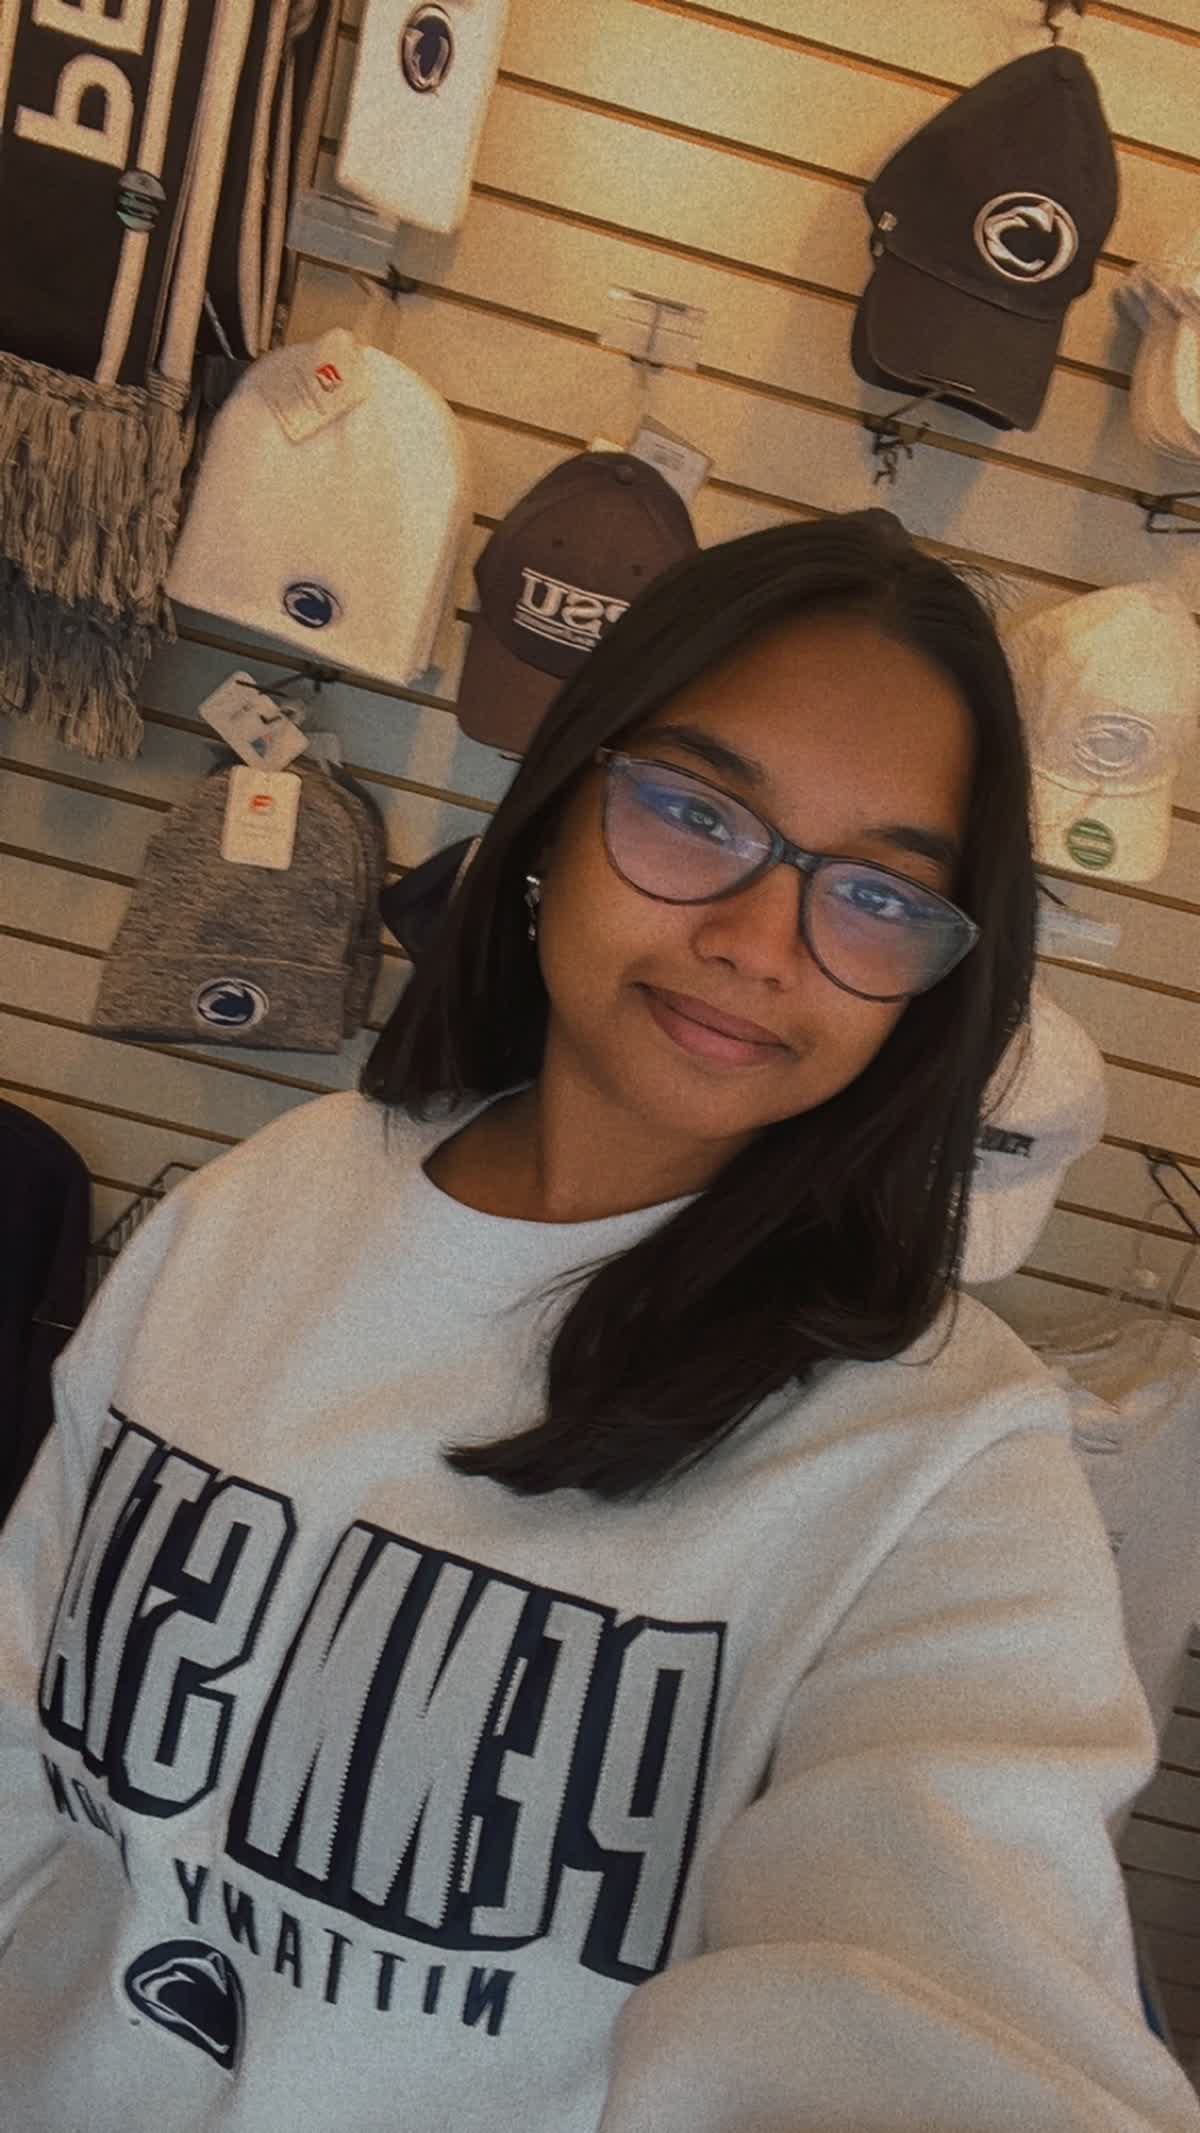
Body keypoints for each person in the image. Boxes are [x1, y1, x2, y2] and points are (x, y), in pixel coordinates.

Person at [0, 509, 1195, 2133]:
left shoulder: (948, 1462)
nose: (758, 943)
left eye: (878, 895)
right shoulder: (269, 1197)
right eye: (698, 812)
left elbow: (954, 1988)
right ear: (564, 801)